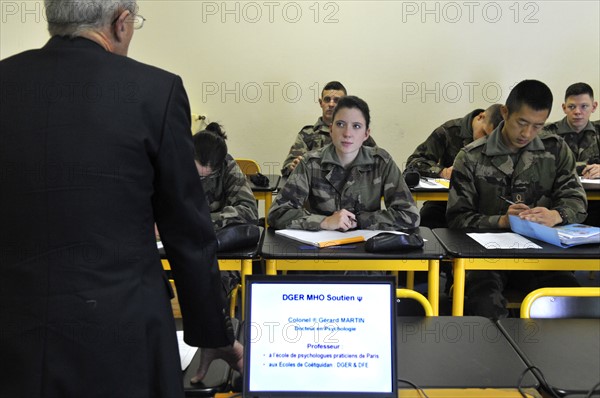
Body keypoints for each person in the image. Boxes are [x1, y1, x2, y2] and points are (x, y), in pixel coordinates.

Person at [0, 1, 241, 397]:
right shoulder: (155, 92)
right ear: (121, 23)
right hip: (122, 337)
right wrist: (210, 332)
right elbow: (187, 231)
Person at [446, 79, 587, 319]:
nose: (527, 133)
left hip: (543, 256)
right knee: (484, 308)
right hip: (486, 260)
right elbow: (456, 220)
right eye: (521, 123)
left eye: (537, 126)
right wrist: (501, 221)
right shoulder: (471, 157)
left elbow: (576, 200)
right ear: (505, 113)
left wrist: (556, 215)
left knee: (570, 305)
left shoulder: (555, 150)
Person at [269, 95, 420, 231]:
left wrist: (359, 220)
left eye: (356, 126)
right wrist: (324, 221)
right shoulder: (310, 163)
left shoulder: (381, 163)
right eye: (340, 124)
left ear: (366, 133)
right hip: (320, 249)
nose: (347, 133)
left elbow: (410, 215)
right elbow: (277, 213)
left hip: (367, 248)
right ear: (331, 129)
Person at [405, 104, 503, 228]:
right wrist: (442, 172)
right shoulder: (449, 131)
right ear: (480, 117)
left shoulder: (506, 139)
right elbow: (414, 162)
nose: (484, 142)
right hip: (446, 201)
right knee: (425, 225)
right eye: (484, 133)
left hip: (485, 205)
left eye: (491, 139)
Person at [280, 81, 376, 177]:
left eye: (336, 100)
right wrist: (293, 167)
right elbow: (287, 168)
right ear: (321, 103)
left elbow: (378, 166)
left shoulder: (357, 134)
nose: (331, 104)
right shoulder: (307, 134)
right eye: (327, 99)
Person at [542, 83, 599, 225]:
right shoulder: (547, 133)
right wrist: (585, 166)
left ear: (594, 107)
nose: (578, 112)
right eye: (572, 107)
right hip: (559, 204)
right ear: (564, 108)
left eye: (584, 106)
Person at [192, 122, 259, 230]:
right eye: (195, 172)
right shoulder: (175, 164)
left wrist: (200, 220)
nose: (202, 179)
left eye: (209, 175)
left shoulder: (227, 166)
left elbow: (250, 212)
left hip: (216, 235)